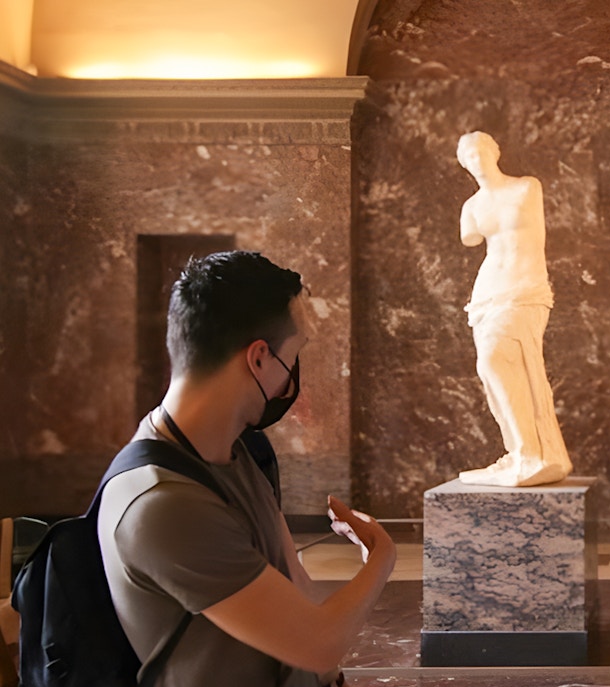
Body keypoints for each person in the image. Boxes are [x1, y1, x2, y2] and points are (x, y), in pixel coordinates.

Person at [97, 251, 396, 686]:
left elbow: (298, 595)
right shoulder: (163, 502)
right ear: (258, 359)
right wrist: (381, 558)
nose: (292, 380)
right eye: (293, 355)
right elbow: (318, 642)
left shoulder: (239, 452)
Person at [455, 131, 572, 487]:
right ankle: (522, 452)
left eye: (481, 151)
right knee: (492, 369)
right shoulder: (472, 208)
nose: (476, 160)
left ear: (494, 152)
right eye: (468, 156)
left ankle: (532, 453)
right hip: (489, 290)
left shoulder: (526, 188)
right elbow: (471, 237)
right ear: (463, 164)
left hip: (525, 287)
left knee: (499, 360)